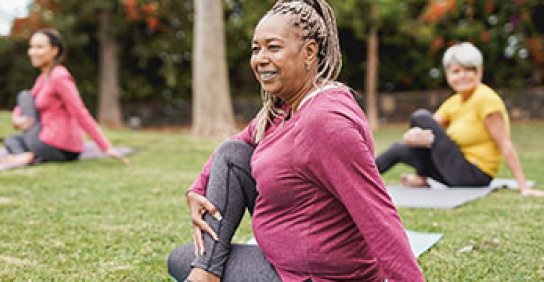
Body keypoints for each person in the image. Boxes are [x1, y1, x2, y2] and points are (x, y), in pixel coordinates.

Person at [168, 0, 424, 281]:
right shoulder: (286, 108)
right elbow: (236, 146)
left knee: (182, 260)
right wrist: (196, 189)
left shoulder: (326, 122)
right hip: (285, 260)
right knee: (232, 156)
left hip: (314, 276)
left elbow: (377, 213)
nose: (260, 58)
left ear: (309, 52)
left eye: (273, 47)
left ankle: (204, 273)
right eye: (256, 48)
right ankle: (206, 272)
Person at [376, 42, 543, 197]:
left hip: (474, 174)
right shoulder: (454, 102)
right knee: (399, 148)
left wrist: (524, 187)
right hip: (452, 169)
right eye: (456, 71)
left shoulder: (486, 99)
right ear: (448, 75)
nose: (462, 76)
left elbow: (505, 143)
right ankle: (357, 179)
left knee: (420, 115)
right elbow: (429, 129)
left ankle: (421, 177)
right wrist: (411, 136)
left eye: (468, 70)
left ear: (479, 72)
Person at [1, 28, 128, 167]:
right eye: (31, 47)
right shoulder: (43, 78)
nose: (32, 52)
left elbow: (80, 112)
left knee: (23, 96)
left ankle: (30, 155)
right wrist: (16, 118)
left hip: (60, 146)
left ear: (54, 50)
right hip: (42, 137)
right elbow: (26, 101)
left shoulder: (59, 76)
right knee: (12, 139)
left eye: (39, 47)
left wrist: (106, 147)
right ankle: (29, 156)